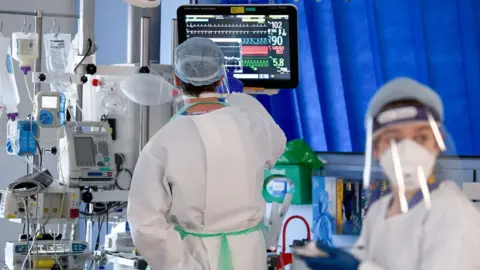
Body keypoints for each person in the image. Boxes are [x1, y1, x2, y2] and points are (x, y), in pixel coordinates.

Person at [127, 37, 286, 270]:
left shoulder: (161, 144)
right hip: (248, 258)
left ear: (176, 79)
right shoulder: (253, 125)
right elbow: (277, 146)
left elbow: (145, 225)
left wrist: (182, 265)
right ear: (221, 77)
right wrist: (242, 99)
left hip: (193, 257)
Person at [298, 77, 480, 270]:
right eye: (393, 139)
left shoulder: (451, 213)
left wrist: (357, 268)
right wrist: (335, 258)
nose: (408, 150)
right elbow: (367, 257)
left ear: (437, 144)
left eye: (421, 137)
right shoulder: (380, 210)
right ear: (376, 149)